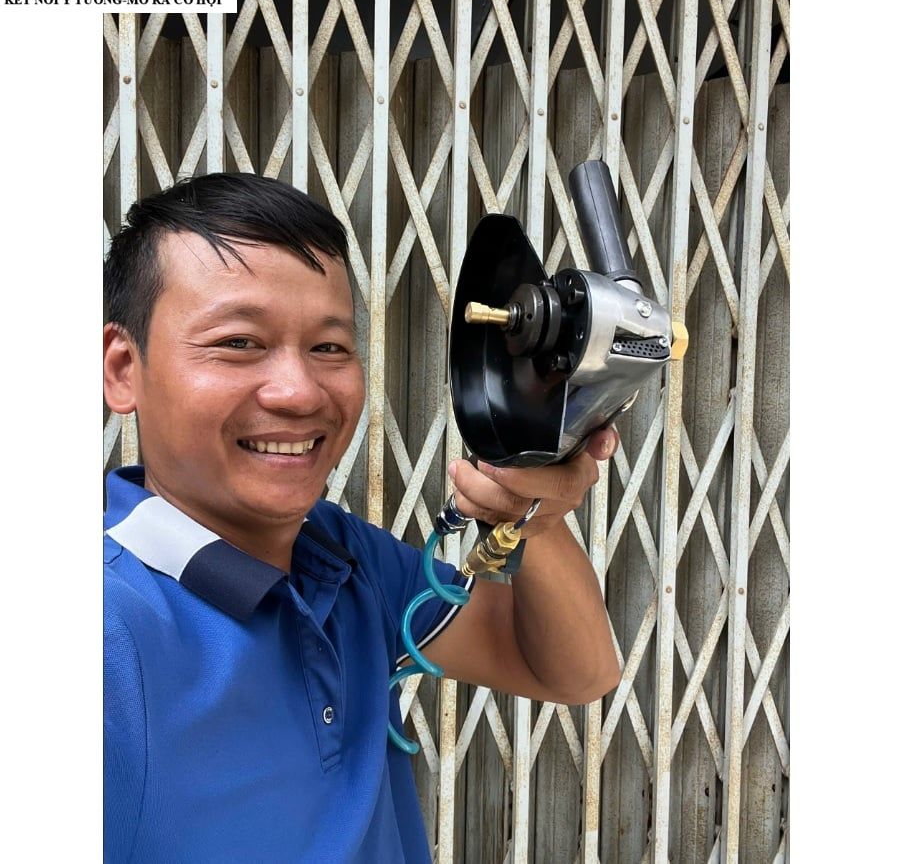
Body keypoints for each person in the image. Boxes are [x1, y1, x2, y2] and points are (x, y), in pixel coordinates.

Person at [103, 172, 621, 862]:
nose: (298, 392)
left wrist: (535, 516)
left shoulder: (341, 558)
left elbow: (575, 673)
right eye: (239, 343)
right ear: (123, 369)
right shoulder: (104, 632)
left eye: (329, 348)